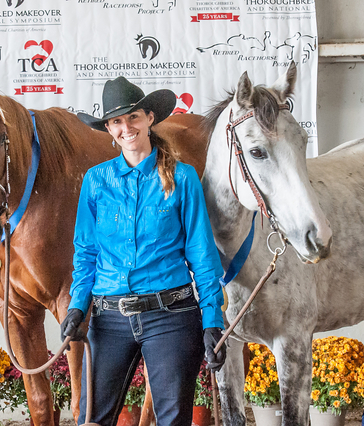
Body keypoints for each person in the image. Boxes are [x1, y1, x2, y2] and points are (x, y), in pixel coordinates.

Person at [60, 76, 227, 426]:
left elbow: (203, 255)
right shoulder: (95, 180)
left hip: (171, 316)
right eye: (117, 121)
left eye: (133, 117)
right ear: (108, 129)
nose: (126, 127)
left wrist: (212, 320)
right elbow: (86, 253)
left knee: (172, 420)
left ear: (150, 118)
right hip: (108, 320)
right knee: (90, 419)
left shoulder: (183, 178)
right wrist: (77, 306)